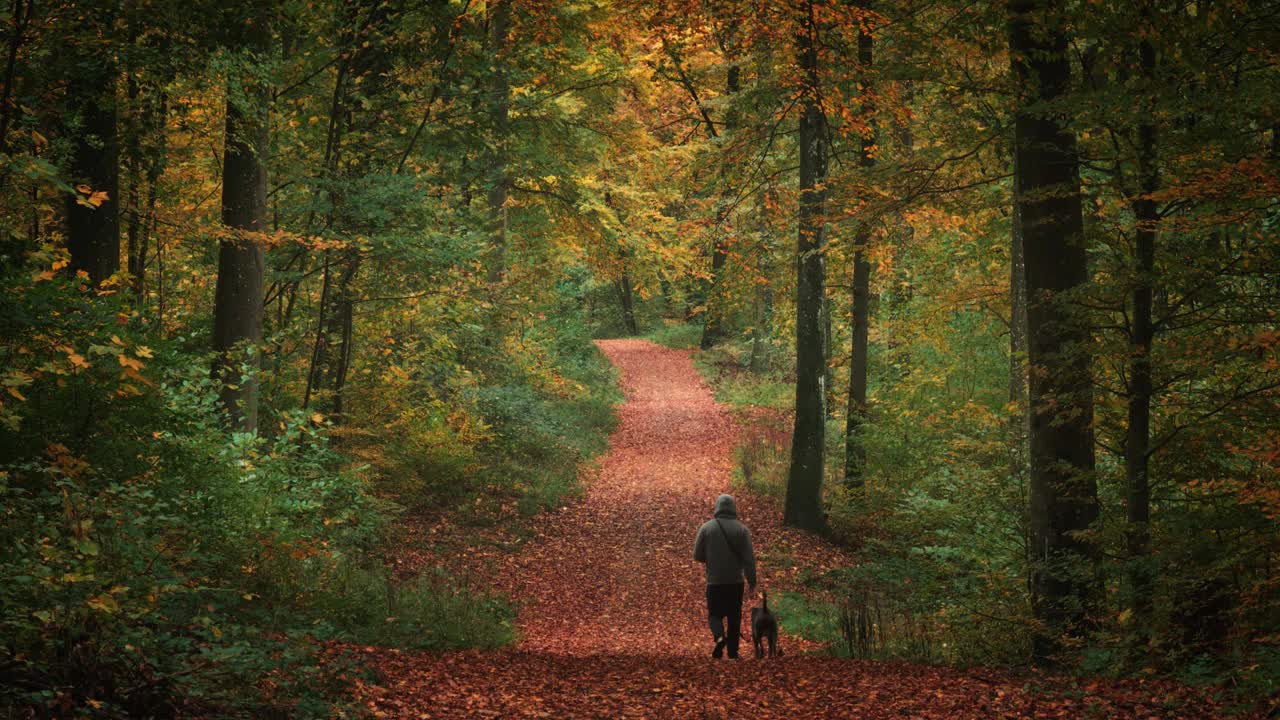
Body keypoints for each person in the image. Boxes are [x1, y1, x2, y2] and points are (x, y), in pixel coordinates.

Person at [693, 494, 757, 659]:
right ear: (733, 508)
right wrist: (752, 583)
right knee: (734, 617)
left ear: (717, 507)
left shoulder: (706, 528)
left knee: (714, 614)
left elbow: (697, 555)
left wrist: (713, 558)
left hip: (715, 581)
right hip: (736, 582)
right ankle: (733, 653)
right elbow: (749, 560)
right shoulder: (742, 530)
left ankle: (719, 636)